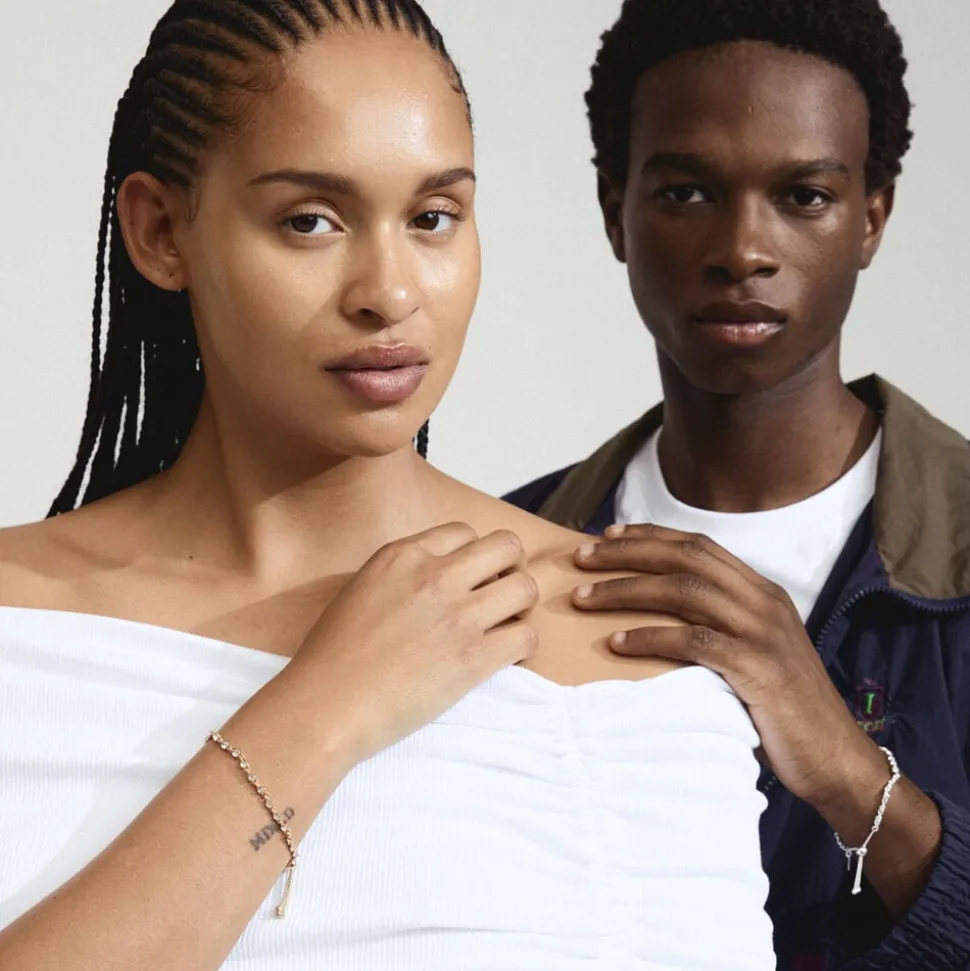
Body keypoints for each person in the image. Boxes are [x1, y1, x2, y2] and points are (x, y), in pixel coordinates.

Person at [0, 2, 778, 969]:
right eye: (310, 221)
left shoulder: (622, 638)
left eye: (432, 218)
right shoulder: (21, 627)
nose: (390, 292)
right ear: (161, 232)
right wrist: (326, 708)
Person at [507, 1, 970, 968]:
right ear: (615, 212)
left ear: (872, 218)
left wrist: (846, 768)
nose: (743, 249)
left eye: (803, 195)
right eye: (686, 192)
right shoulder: (506, 553)